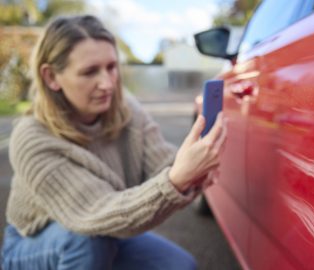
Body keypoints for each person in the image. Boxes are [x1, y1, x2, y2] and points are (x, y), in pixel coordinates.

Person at [1, 15, 225, 270]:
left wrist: (194, 170)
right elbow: (95, 212)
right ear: (51, 77)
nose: (107, 83)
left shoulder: (125, 107)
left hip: (103, 233)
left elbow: (161, 162)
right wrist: (176, 179)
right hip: (33, 243)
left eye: (111, 67)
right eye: (90, 71)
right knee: (84, 243)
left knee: (180, 265)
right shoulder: (32, 138)